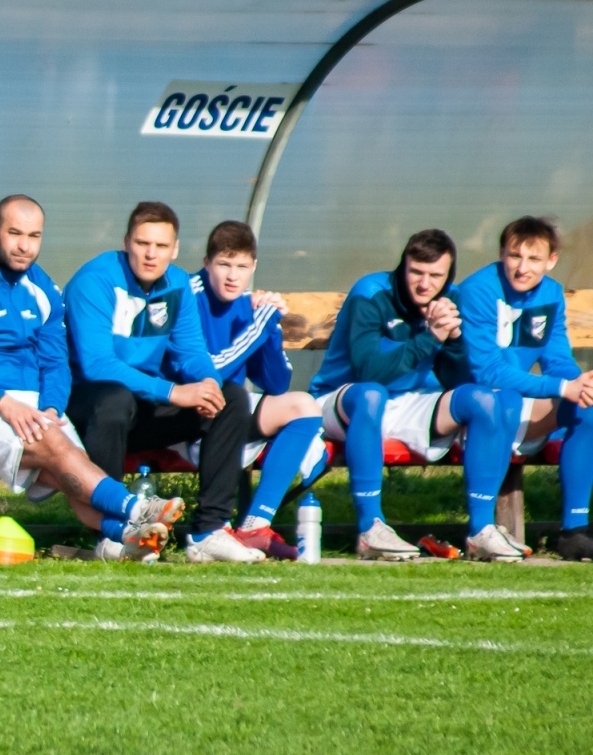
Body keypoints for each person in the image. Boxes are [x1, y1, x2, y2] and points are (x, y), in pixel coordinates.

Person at [0, 195, 187, 561]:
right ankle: (134, 507)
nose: (24, 245)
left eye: (34, 236)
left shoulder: (45, 290)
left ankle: (119, 540)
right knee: (62, 453)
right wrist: (3, 403)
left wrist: (51, 407)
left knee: (72, 471)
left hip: (34, 409)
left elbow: (55, 363)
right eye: (15, 233)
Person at [308, 229, 528, 562]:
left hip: (411, 400)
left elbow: (461, 378)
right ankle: (371, 528)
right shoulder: (372, 292)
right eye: (416, 272)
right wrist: (430, 338)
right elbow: (369, 372)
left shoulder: (451, 299)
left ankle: (480, 531)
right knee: (371, 396)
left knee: (484, 400)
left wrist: (453, 340)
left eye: (435, 275)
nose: (425, 284)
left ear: (448, 275)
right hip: (342, 399)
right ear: (403, 266)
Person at [64, 201, 265, 563]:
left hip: (140, 404)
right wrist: (173, 391)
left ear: (174, 250)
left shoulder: (176, 284)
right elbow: (97, 365)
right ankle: (111, 533)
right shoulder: (94, 280)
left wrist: (207, 384)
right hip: (86, 409)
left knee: (232, 398)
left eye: (160, 246)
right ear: (127, 242)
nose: (151, 254)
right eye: (142, 243)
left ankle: (208, 532)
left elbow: (190, 351)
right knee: (113, 398)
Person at [182, 221, 327, 559]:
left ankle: (254, 525)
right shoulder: (189, 294)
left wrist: (269, 328)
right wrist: (257, 326)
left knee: (303, 406)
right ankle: (213, 530)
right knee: (232, 395)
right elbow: (208, 370)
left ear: (254, 267)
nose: (233, 276)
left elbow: (277, 384)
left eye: (242, 266)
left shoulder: (249, 305)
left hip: (229, 412)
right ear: (206, 263)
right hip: (186, 412)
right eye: (224, 264)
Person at [454, 216, 593, 561]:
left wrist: (580, 383)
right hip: (469, 408)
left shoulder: (550, 293)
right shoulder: (478, 290)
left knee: (587, 405)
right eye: (515, 256)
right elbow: (487, 372)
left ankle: (574, 532)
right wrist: (562, 386)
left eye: (534, 259)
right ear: (502, 253)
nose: (522, 268)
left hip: (518, 406)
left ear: (551, 260)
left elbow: (556, 357)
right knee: (508, 400)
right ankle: (480, 531)